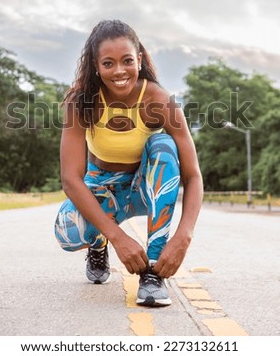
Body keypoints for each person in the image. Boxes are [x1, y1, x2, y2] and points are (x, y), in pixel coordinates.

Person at [54, 19, 203, 307]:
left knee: (163, 145)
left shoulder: (160, 100)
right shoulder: (81, 101)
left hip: (142, 188)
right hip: (102, 189)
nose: (119, 71)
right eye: (108, 63)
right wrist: (116, 238)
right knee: (66, 232)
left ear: (140, 60)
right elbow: (71, 179)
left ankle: (153, 273)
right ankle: (98, 245)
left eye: (127, 61)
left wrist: (184, 236)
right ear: (96, 66)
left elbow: (193, 176)